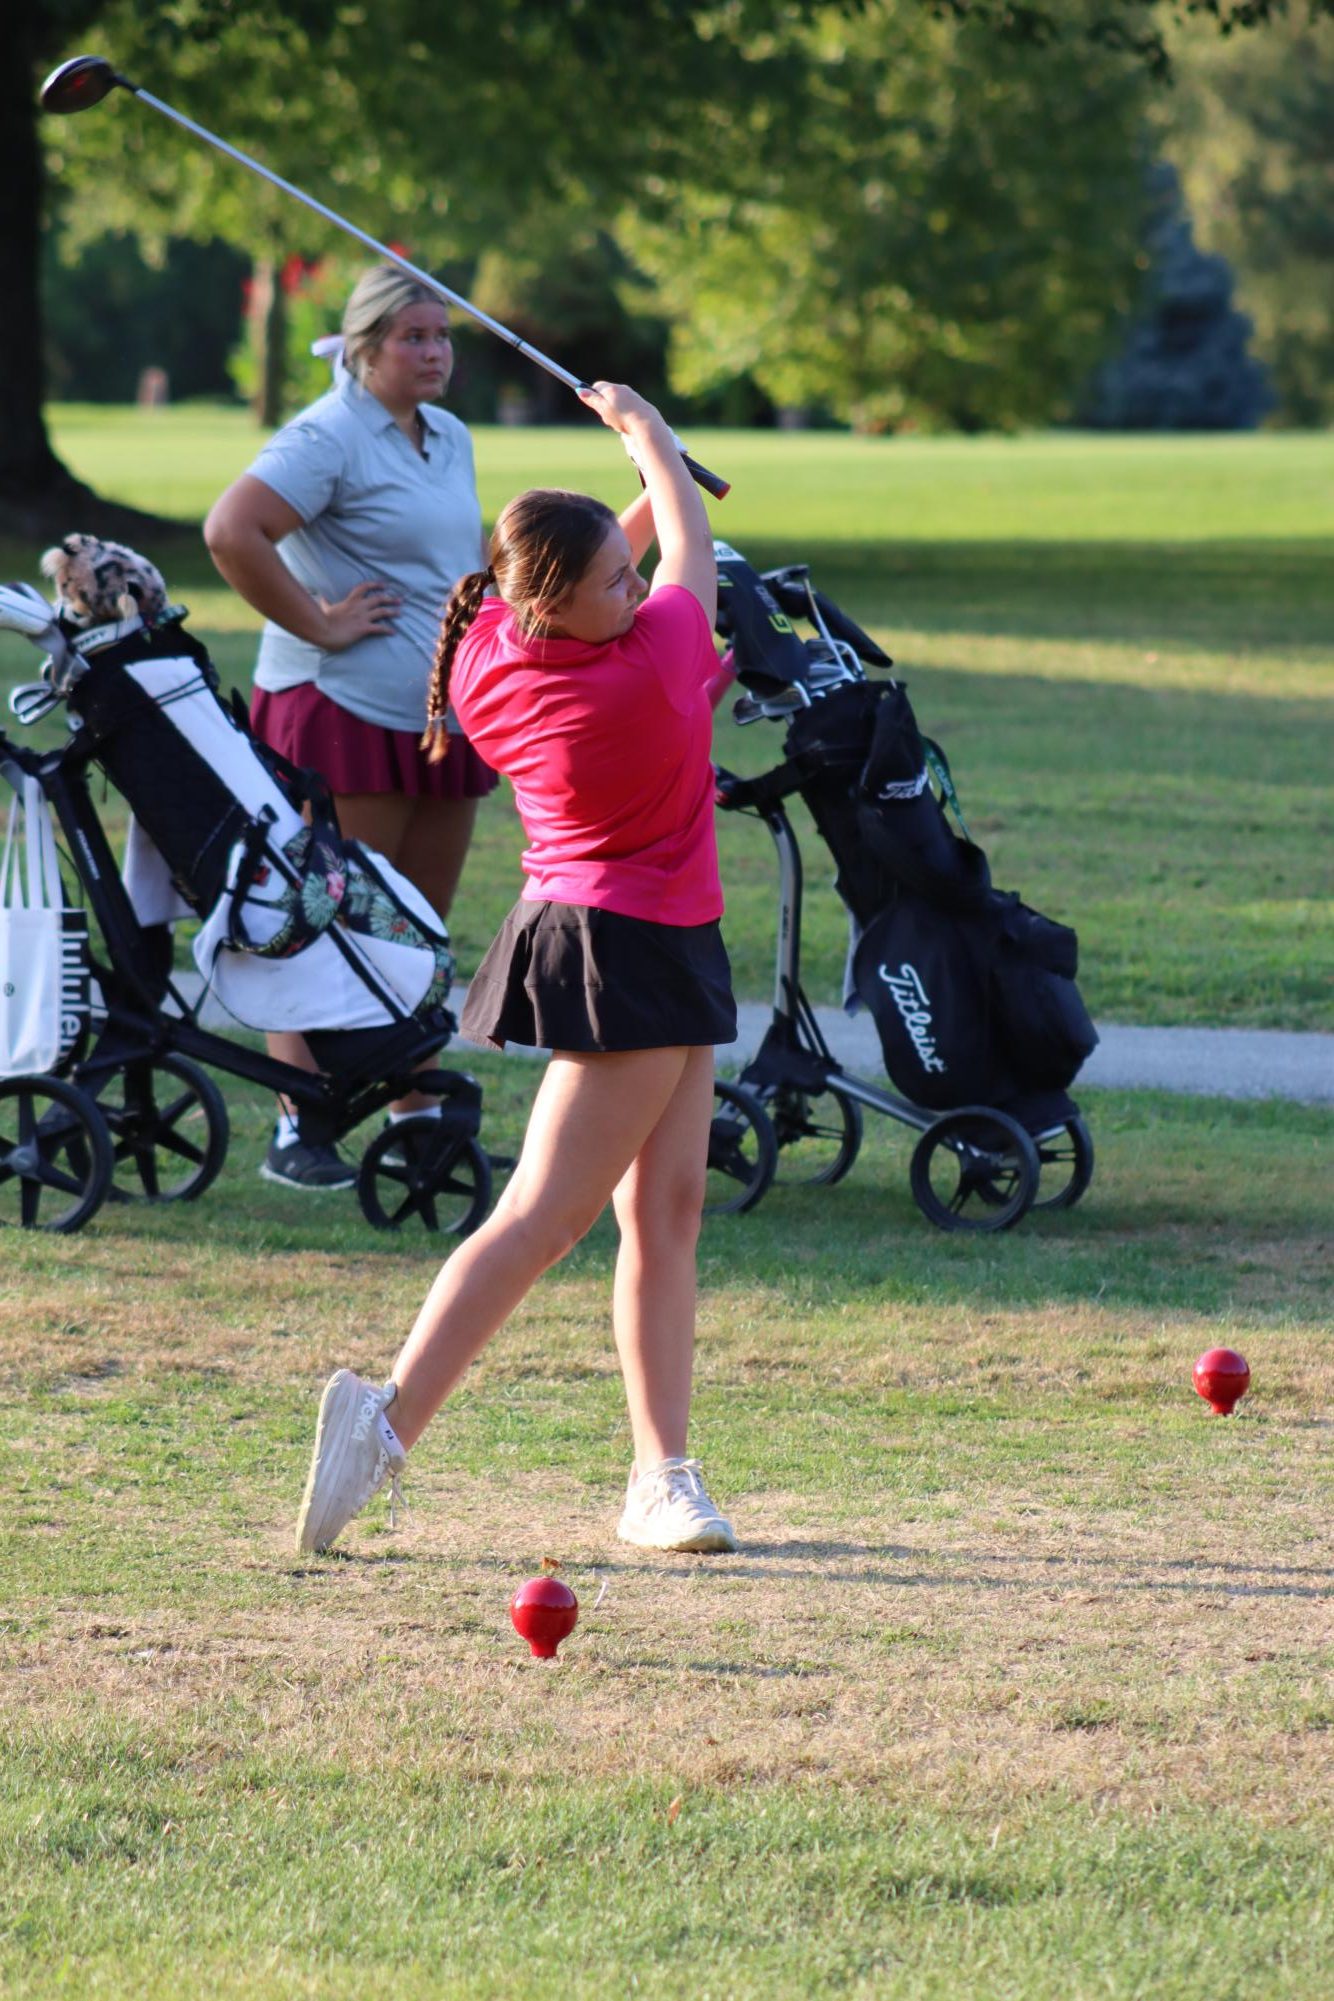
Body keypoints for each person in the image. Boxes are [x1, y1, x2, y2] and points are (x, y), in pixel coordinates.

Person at [293, 381, 743, 1556]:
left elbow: (633, 554)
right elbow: (689, 548)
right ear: (558, 603)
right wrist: (648, 439)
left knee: (668, 1213)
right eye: (614, 585)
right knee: (543, 1217)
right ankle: (385, 1426)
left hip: (629, 933)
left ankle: (662, 1476)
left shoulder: (493, 651)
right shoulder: (649, 666)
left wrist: (645, 491)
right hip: (629, 945)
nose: (634, 588)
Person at [204, 264, 498, 1190]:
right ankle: (301, 1124)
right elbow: (231, 529)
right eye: (414, 337)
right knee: (321, 925)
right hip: (340, 714)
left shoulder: (446, 434)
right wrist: (319, 621)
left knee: (415, 926)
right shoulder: (326, 434)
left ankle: (414, 1114)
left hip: (442, 717)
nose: (434, 352)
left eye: (442, 336)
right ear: (365, 347)